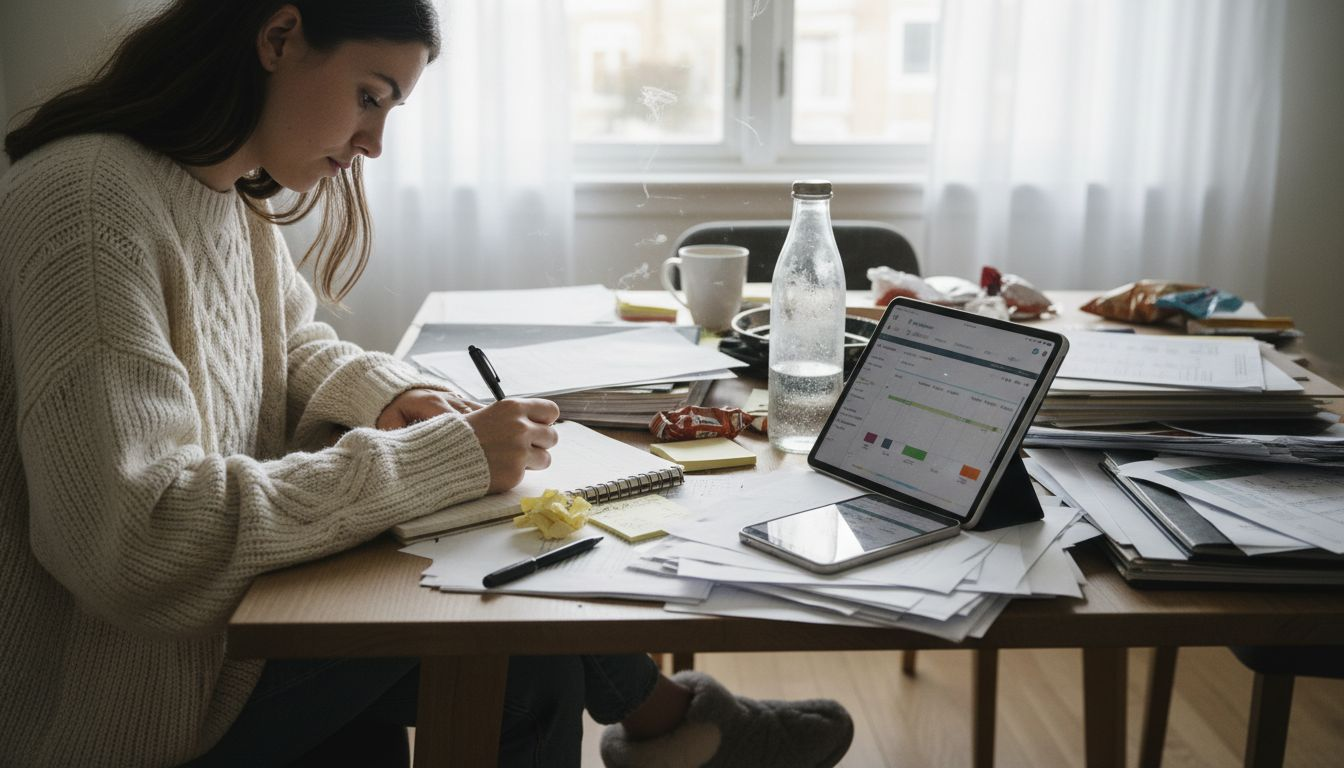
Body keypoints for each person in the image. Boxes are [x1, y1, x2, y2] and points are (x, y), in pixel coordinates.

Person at [0, 2, 855, 766]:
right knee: (522, 646)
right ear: (278, 36)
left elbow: (285, 344)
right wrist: (435, 459)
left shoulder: (218, 194)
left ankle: (681, 730)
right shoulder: (88, 203)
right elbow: (135, 537)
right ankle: (683, 728)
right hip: (135, 695)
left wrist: (383, 395)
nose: (374, 142)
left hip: (227, 631)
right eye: (370, 96)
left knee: (519, 616)